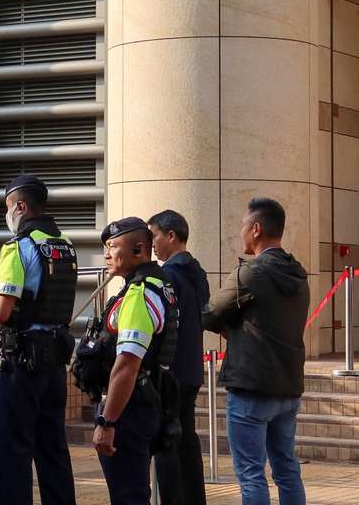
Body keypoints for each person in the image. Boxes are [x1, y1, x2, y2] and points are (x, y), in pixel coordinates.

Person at [0, 175, 76, 505]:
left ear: (20, 206)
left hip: (21, 364)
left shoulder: (18, 248)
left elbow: (2, 311)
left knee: (14, 452)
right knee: (53, 450)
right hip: (55, 362)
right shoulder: (65, 247)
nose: (8, 215)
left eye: (7, 208)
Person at [204, 198, 308, 505]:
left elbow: (209, 314)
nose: (241, 234)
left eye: (243, 227)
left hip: (251, 385)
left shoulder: (250, 273)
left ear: (256, 228)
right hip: (288, 387)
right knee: (287, 469)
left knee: (251, 474)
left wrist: (232, 326)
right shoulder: (299, 274)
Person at [71, 217, 176, 505]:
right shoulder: (155, 284)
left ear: (139, 249)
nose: (106, 254)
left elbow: (128, 363)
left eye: (113, 246)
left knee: (128, 496)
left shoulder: (139, 294)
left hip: (128, 410)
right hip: (141, 403)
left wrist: (107, 421)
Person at [148, 210, 209, 505]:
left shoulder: (168, 275)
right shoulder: (197, 272)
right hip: (192, 369)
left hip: (171, 372)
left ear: (171, 236)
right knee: (186, 440)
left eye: (154, 236)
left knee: (168, 443)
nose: (152, 244)